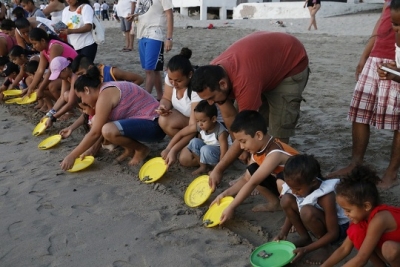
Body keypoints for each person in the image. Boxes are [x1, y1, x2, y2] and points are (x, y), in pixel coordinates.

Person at [190, 32, 309, 191]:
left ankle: (266, 177)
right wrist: (242, 146)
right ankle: (254, 170)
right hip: (265, 65)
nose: (210, 103)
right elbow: (230, 116)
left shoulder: (244, 82)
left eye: (211, 98)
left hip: (291, 64)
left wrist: (219, 168)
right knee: (254, 133)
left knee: (278, 129)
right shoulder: (213, 73)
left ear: (223, 84)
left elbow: (246, 127)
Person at [327, 0, 400, 189]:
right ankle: (355, 163)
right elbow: (381, 22)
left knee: (398, 120)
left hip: (396, 60)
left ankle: (391, 173)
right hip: (376, 58)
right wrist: (365, 55)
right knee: (360, 111)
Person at [60, 66, 166, 170]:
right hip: (145, 123)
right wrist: (91, 149)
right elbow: (97, 126)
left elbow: (95, 132)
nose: (82, 101)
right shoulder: (105, 88)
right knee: (97, 121)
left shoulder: (105, 95)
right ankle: (130, 149)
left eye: (81, 97)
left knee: (108, 130)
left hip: (154, 125)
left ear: (87, 90)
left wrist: (72, 156)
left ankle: (141, 149)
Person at [211, 110, 299, 218]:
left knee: (277, 182)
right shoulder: (257, 150)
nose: (242, 147)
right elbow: (246, 179)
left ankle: (297, 213)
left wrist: (231, 207)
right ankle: (275, 203)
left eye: (243, 141)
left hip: (303, 187)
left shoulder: (275, 153)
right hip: (285, 183)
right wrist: (224, 194)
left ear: (258, 135)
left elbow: (252, 183)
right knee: (253, 170)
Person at [273, 154, 349, 265]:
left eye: (297, 189)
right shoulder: (300, 187)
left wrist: (306, 250)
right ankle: (305, 238)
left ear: (313, 182)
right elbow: (296, 205)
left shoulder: (326, 197)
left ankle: (326, 247)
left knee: (307, 212)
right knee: (286, 199)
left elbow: (333, 233)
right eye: (291, 188)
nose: (294, 192)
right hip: (318, 221)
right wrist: (283, 232)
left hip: (339, 229)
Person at [322, 165, 400, 267]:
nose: (346, 214)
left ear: (366, 206)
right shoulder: (360, 220)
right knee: (358, 235)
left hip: (394, 249)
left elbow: (361, 259)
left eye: (348, 210)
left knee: (389, 248)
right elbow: (344, 249)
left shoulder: (380, 219)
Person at [164, 100, 230, 175]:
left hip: (217, 154)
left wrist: (220, 169)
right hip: (207, 150)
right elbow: (181, 133)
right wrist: (169, 148)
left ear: (213, 119)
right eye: (197, 121)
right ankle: (203, 166)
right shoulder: (200, 126)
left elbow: (224, 152)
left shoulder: (221, 132)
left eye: (203, 121)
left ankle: (215, 169)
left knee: (205, 149)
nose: (200, 124)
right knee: (194, 142)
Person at [157, 48, 201, 155]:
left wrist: (171, 149)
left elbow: (194, 127)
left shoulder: (196, 89)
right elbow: (166, 98)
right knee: (163, 119)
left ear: (190, 75)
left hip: (201, 126)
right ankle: (185, 146)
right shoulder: (171, 77)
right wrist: (163, 106)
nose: (174, 84)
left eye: (178, 81)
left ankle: (186, 147)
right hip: (186, 121)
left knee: (185, 160)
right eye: (171, 79)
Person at [25, 28, 77, 104]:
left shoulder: (54, 47)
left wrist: (40, 89)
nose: (34, 47)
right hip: (63, 74)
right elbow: (40, 70)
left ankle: (67, 108)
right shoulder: (43, 51)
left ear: (42, 41)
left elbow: (51, 70)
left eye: (35, 43)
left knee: (52, 86)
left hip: (72, 72)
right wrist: (30, 88)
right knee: (36, 84)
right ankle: (60, 106)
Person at [134, 0, 174, 101]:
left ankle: (146, 99)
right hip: (141, 34)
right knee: (154, 69)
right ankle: (160, 96)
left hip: (155, 33)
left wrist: (169, 38)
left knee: (149, 69)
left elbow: (169, 15)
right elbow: (143, 12)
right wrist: (134, 17)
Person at [43, 56, 79, 128]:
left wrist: (53, 118)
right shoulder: (66, 77)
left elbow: (70, 103)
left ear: (65, 69)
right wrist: (49, 114)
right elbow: (61, 98)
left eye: (59, 74)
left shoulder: (75, 76)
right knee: (65, 95)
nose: (58, 77)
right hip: (81, 100)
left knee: (67, 95)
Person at [70, 54, 144, 84]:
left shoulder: (112, 72)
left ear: (90, 67)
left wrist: (126, 92)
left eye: (81, 73)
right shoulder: (89, 79)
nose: (81, 77)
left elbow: (139, 79)